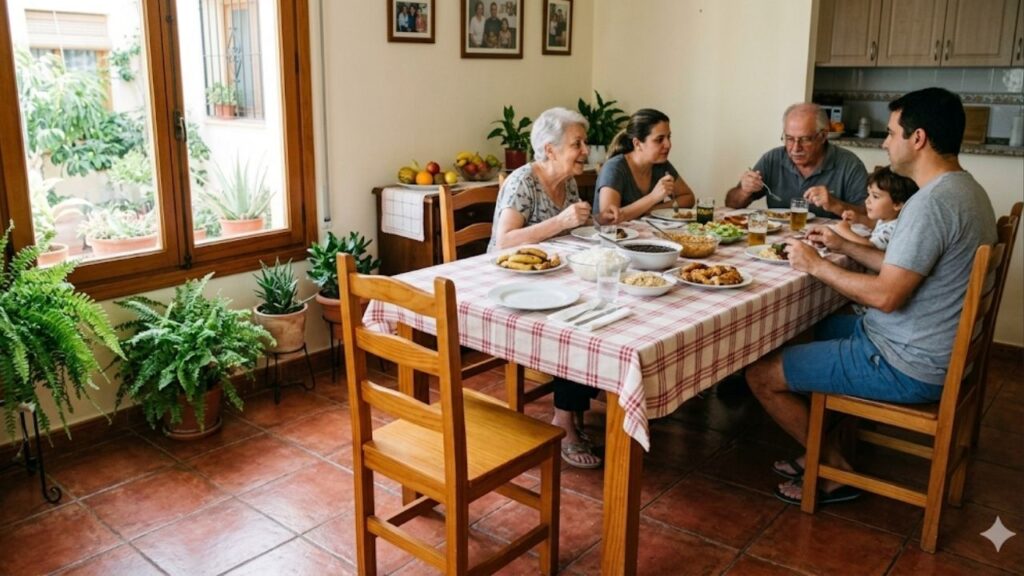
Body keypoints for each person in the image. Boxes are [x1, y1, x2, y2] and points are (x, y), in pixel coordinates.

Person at [745, 87, 996, 505]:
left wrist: (816, 265)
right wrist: (844, 246)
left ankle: (833, 466)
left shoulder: (930, 205)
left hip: (905, 361)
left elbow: (885, 296)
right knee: (793, 330)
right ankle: (821, 442)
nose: (885, 142)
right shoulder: (966, 191)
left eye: (892, 132)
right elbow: (903, 269)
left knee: (760, 374)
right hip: (927, 346)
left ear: (918, 139)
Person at [488, 107, 601, 468]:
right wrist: (561, 221)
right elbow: (505, 241)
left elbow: (569, 234)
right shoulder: (523, 181)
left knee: (597, 313)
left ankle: (575, 406)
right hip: (510, 285)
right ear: (550, 150)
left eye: (584, 143)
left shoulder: (566, 181)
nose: (585, 150)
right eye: (577, 144)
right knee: (575, 326)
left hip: (551, 281)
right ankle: (563, 421)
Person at [725, 103, 868, 219]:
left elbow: (869, 218)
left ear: (823, 136)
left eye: (804, 139)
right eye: (789, 138)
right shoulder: (772, 159)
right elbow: (731, 204)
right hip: (777, 240)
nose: (795, 148)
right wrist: (744, 191)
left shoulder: (850, 165)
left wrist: (835, 205)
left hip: (829, 242)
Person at [595, 108, 695, 224]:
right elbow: (609, 219)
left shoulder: (661, 164)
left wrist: (651, 210)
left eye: (668, 137)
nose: (668, 144)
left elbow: (688, 197)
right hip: (609, 235)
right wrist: (653, 197)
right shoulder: (614, 168)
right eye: (659, 139)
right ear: (637, 144)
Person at [833, 165, 918, 250]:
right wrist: (858, 219)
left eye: (875, 196)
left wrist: (844, 230)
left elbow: (870, 248)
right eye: (868, 194)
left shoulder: (893, 229)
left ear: (897, 204)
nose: (867, 201)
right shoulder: (887, 219)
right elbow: (874, 224)